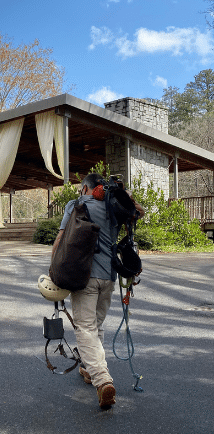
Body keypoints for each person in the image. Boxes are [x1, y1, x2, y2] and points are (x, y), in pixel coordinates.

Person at [52, 173, 144, 409]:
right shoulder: (115, 206)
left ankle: (102, 380)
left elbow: (61, 239)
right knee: (96, 326)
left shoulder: (76, 205)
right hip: (109, 278)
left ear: (85, 188)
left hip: (83, 277)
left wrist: (54, 270)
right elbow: (139, 212)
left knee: (85, 327)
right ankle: (87, 369)